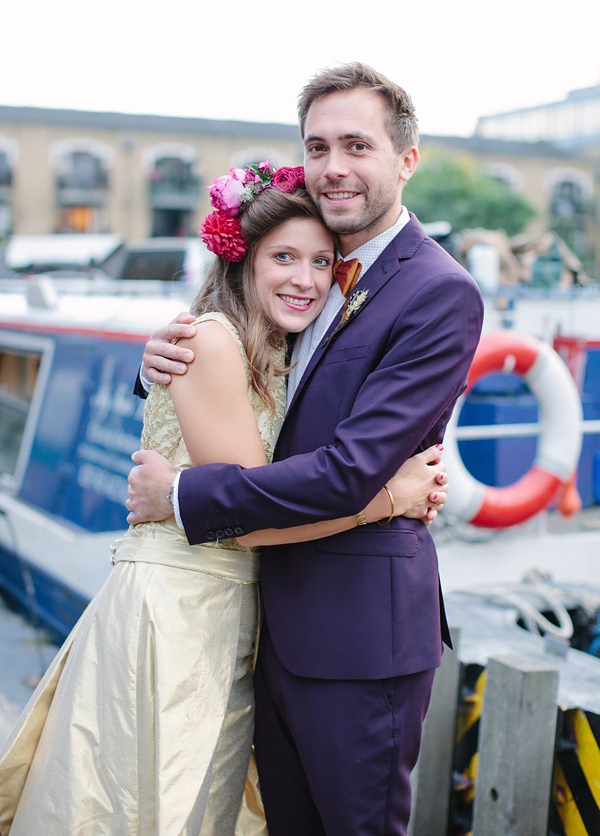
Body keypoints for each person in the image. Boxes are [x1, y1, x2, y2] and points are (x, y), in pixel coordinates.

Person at [0, 165, 447, 836]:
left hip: (228, 618)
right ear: (242, 260)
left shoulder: (277, 350)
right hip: (177, 617)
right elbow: (245, 523)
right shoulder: (212, 342)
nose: (305, 277)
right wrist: (388, 499)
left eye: (321, 261)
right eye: (284, 258)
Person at [128, 62, 484, 836]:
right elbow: (253, 382)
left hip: (360, 640)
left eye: (357, 145)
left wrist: (182, 496)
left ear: (406, 159)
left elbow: (352, 470)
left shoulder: (436, 291)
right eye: (317, 146)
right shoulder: (313, 269)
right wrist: (157, 369)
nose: (334, 167)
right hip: (265, 628)